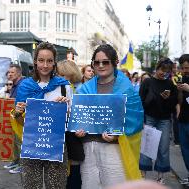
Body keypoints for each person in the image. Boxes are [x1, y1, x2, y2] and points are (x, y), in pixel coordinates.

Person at [75, 44, 144, 189]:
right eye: (96, 62)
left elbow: (135, 119)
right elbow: (79, 118)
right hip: (88, 148)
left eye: (105, 62)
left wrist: (117, 134)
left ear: (115, 62)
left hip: (114, 149)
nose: (100, 65)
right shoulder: (84, 88)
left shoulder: (127, 88)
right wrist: (78, 129)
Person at [12, 42, 71, 188]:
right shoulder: (25, 86)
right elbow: (20, 122)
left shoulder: (64, 86)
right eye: (41, 60)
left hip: (56, 146)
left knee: (56, 186)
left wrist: (66, 109)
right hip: (31, 145)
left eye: (49, 61)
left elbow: (71, 119)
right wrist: (18, 113)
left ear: (54, 63)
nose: (45, 65)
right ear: (35, 62)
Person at [139, 58, 178, 184]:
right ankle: (142, 175)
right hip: (149, 117)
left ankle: (160, 176)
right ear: (157, 68)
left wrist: (168, 98)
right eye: (162, 70)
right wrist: (142, 119)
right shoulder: (148, 82)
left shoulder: (170, 84)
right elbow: (141, 100)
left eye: (166, 71)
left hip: (165, 119)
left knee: (163, 147)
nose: (163, 73)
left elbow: (174, 102)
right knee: (147, 147)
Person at [57, 59, 84, 189]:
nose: (61, 77)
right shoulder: (57, 88)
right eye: (59, 75)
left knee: (74, 167)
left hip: (73, 133)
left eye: (63, 75)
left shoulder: (80, 89)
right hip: (62, 133)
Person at [3, 64, 24, 174]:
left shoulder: (22, 85)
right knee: (15, 141)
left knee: (19, 142)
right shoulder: (14, 85)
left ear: (19, 73)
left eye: (12, 72)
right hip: (14, 116)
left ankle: (22, 165)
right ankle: (16, 161)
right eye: (9, 72)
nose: (9, 74)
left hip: (20, 117)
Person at [176, 54, 189, 186]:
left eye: (188, 67)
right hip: (183, 119)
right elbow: (181, 100)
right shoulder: (183, 78)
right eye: (184, 68)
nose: (186, 70)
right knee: (185, 150)